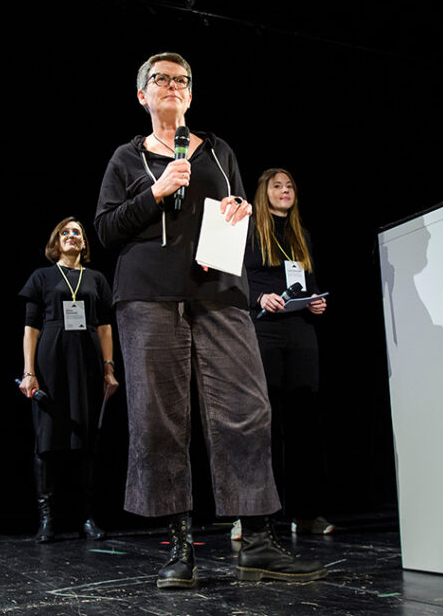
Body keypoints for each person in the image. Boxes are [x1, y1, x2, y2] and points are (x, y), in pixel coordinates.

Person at [95, 52, 327, 589]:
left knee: (247, 409)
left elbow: (236, 204)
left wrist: (241, 209)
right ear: (142, 96)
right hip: (148, 297)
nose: (171, 86)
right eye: (160, 79)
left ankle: (259, 540)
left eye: (181, 80)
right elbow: (105, 229)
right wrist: (153, 193)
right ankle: (180, 547)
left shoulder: (220, 150)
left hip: (219, 291)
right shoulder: (127, 158)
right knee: (161, 421)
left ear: (191, 96)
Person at [238, 168, 333, 540]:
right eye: (277, 186)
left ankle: (306, 513)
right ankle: (252, 516)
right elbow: (231, 279)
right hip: (264, 330)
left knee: (303, 425)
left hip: (301, 333)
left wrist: (315, 302)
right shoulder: (247, 231)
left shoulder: (301, 234)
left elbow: (305, 283)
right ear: (264, 192)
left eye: (290, 185)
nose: (285, 190)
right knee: (263, 426)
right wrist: (258, 298)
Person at [18, 218, 119, 543]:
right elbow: (31, 328)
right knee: (47, 442)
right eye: (65, 232)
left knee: (87, 442)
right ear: (55, 241)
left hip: (87, 363)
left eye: (77, 232)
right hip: (51, 362)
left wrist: (108, 367)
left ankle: (87, 518)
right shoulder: (42, 276)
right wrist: (29, 371)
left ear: (84, 243)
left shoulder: (96, 278)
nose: (72, 236)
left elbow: (105, 326)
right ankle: (47, 520)